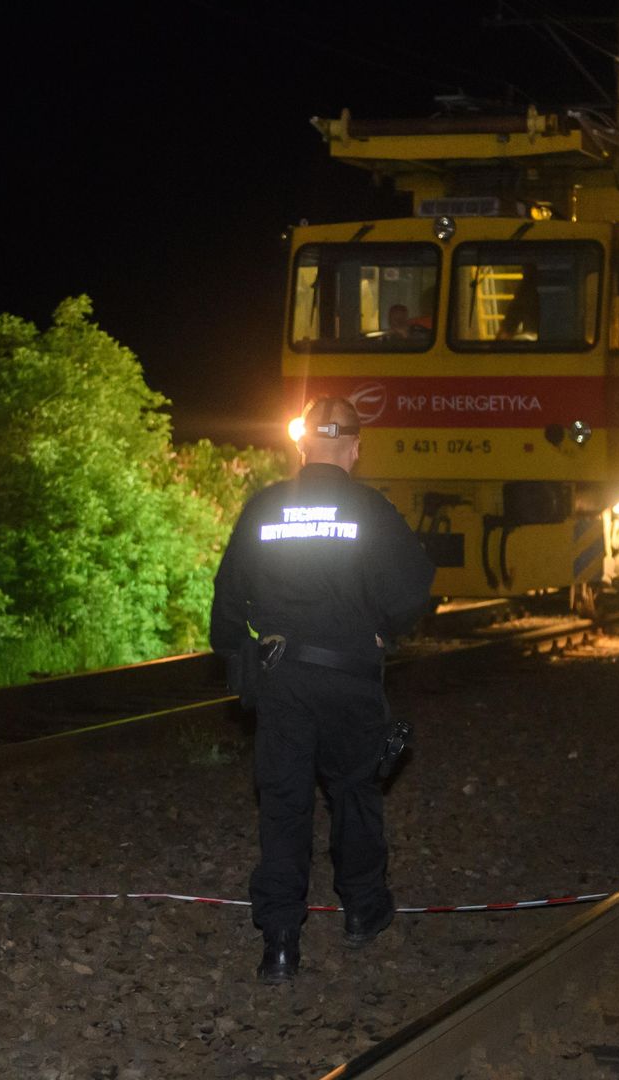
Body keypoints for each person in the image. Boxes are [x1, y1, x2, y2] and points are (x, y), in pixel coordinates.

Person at [210, 396, 436, 983]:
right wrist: (383, 628)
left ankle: (281, 943)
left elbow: (227, 604)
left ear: (302, 444)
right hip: (351, 676)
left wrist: (242, 654)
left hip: (284, 677)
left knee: (284, 804)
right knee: (355, 791)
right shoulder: (371, 509)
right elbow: (415, 588)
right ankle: (363, 909)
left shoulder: (264, 508)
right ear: (355, 449)